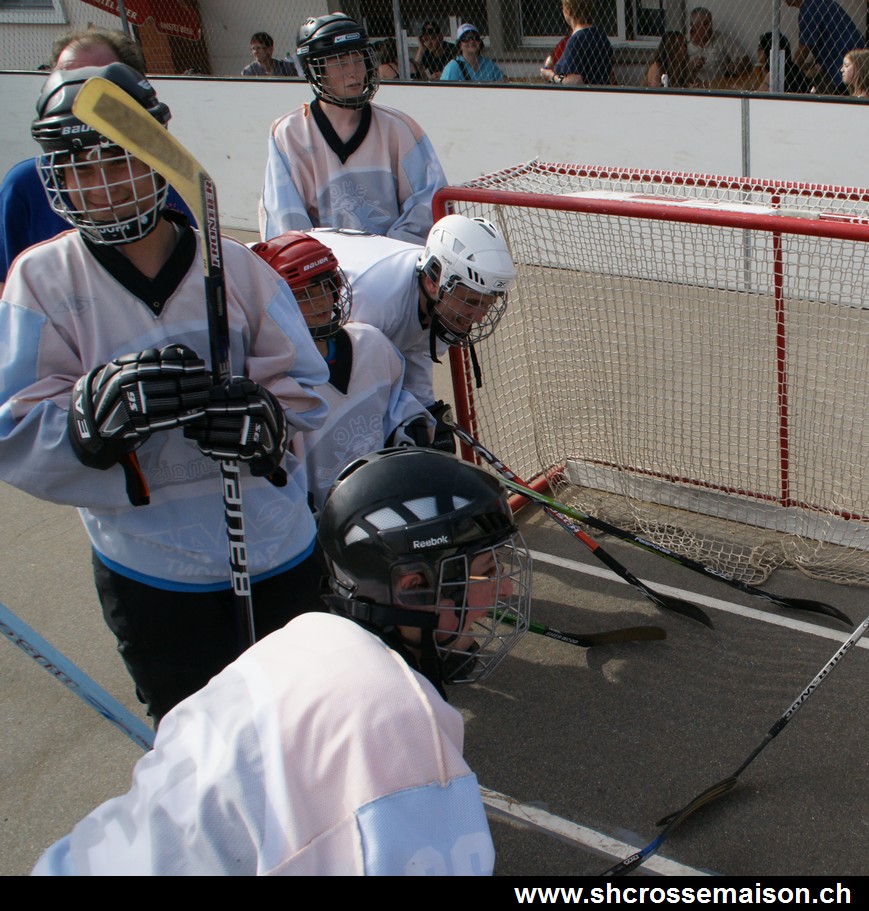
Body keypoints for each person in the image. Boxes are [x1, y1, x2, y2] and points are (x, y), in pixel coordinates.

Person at [0, 63, 330, 724]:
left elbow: (305, 388)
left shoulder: (235, 265)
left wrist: (267, 419)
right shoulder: (41, 281)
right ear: (57, 177)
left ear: (157, 153)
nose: (105, 184)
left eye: (120, 157)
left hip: (273, 547)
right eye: (81, 167)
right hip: (152, 571)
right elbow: (15, 424)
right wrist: (86, 424)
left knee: (305, 725)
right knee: (196, 741)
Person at [31, 448, 533, 875]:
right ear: (414, 585)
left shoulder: (300, 639)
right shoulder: (393, 714)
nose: (506, 588)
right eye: (487, 570)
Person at [0, 28, 194, 296]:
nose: (80, 93)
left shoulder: (153, 180)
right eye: (68, 79)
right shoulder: (24, 185)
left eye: (97, 82)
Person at [307, 215, 517, 453]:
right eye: (470, 302)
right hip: (291, 291)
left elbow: (417, 356)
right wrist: (396, 422)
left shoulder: (440, 303)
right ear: (432, 279)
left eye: (487, 304)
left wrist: (426, 413)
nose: (478, 317)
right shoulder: (376, 302)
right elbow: (343, 384)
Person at [251, 232, 431, 511]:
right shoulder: (271, 380)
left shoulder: (372, 344)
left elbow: (399, 408)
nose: (321, 302)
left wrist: (414, 429)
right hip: (319, 521)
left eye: (326, 287)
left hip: (383, 504)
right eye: (304, 294)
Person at [261, 13, 448, 245]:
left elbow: (427, 205)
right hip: (325, 266)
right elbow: (285, 222)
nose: (354, 72)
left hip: (391, 262)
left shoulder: (399, 129)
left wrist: (385, 253)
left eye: (358, 59)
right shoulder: (289, 135)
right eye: (340, 62)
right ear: (314, 69)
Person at [784, 0, 866, 94]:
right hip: (857, 59)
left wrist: (791, 69)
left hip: (843, 66)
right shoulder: (818, 3)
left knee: (844, 97)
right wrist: (811, 63)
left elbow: (804, 50)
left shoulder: (809, 9)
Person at [543, 0, 614, 86]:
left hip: (584, 93)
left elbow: (575, 80)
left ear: (568, 10)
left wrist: (551, 76)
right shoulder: (600, 35)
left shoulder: (576, 40)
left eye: (562, 7)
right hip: (602, 90)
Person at [686, 6, 748, 87]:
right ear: (693, 26)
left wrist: (738, 64)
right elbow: (677, 72)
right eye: (705, 24)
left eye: (710, 23)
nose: (709, 27)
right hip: (695, 89)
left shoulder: (721, 39)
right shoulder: (683, 44)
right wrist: (691, 67)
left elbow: (744, 57)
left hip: (721, 88)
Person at [440, 23, 506, 83]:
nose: (471, 41)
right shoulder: (452, 67)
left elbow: (503, 82)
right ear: (460, 45)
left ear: (479, 42)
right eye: (466, 38)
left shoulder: (489, 65)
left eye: (475, 37)